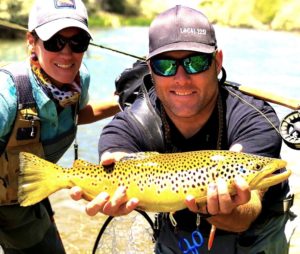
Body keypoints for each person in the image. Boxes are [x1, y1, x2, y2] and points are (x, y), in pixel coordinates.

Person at [71, 5, 295, 254]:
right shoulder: (131, 125)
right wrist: (108, 190)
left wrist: (231, 209)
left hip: (258, 235)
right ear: (151, 70)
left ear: (217, 61)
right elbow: (117, 155)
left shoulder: (254, 117)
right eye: (165, 65)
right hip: (178, 230)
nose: (181, 78)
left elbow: (248, 210)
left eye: (196, 62)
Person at [0, 0, 119, 253]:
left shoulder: (80, 80)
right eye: (54, 41)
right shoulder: (6, 95)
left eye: (78, 42)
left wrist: (123, 103)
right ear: (31, 41)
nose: (67, 53)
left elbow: (76, 115)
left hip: (24, 200)